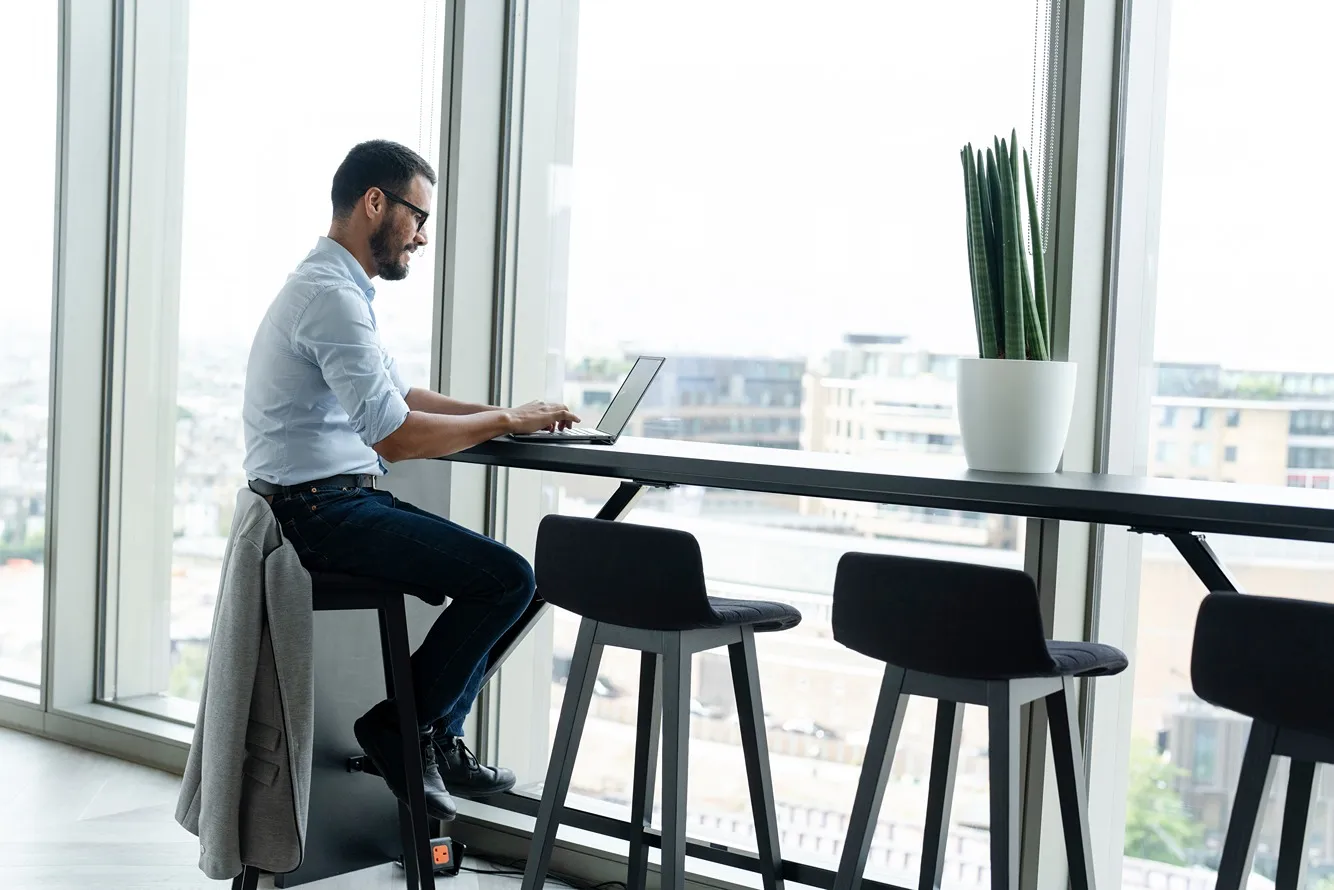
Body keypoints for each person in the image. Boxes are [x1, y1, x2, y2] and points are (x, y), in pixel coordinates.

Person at [241, 139, 579, 821]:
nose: (421, 237)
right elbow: (393, 434)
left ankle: (430, 733)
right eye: (418, 218)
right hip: (317, 515)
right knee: (508, 578)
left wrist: (510, 416)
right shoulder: (330, 298)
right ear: (375, 204)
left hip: (335, 502)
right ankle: (407, 730)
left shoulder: (333, 290)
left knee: (521, 582)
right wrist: (505, 418)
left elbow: (402, 396)